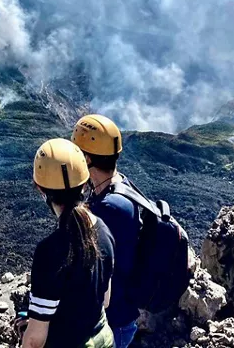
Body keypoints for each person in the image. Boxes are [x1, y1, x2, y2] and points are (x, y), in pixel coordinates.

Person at [21, 138, 115, 348]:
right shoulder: (104, 231)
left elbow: (35, 340)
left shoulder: (49, 251)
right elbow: (105, 300)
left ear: (39, 188)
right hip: (104, 340)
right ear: (84, 182)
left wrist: (34, 324)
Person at [71, 114, 140, 348]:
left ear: (87, 158)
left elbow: (99, 282)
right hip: (124, 316)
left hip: (114, 323)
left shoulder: (108, 209)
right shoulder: (121, 187)